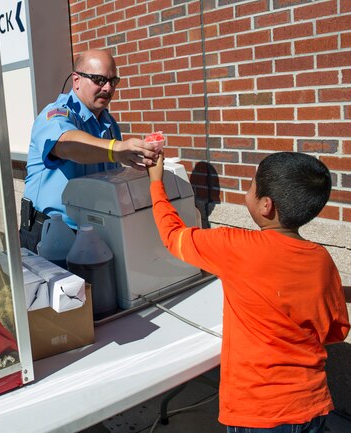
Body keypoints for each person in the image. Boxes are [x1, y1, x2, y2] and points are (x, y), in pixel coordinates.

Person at [147, 151, 350, 433]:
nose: (248, 191)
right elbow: (336, 331)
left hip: (257, 412)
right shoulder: (321, 260)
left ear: (266, 205)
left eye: (251, 185)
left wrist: (156, 182)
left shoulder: (235, 247)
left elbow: (172, 235)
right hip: (312, 405)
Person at [21, 48, 158, 252]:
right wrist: (116, 148)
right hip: (49, 232)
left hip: (93, 231)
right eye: (99, 80)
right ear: (76, 80)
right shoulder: (57, 114)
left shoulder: (108, 122)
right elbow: (67, 145)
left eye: (113, 81)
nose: (108, 88)